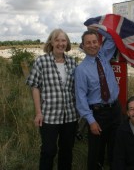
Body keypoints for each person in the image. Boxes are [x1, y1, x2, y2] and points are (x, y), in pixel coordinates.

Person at [26, 29, 79, 170]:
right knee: (48, 151)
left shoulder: (72, 63)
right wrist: (38, 113)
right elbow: (35, 87)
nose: (60, 43)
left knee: (67, 151)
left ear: (67, 43)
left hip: (70, 116)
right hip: (49, 116)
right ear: (51, 42)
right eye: (57, 40)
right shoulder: (41, 61)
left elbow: (77, 88)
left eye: (63, 40)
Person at [75, 28, 122, 170]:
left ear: (99, 44)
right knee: (96, 152)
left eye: (95, 42)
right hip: (97, 114)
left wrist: (98, 27)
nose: (92, 45)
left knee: (116, 148)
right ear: (83, 46)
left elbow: (113, 38)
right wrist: (91, 121)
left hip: (115, 110)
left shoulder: (104, 55)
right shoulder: (81, 70)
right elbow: (80, 97)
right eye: (88, 43)